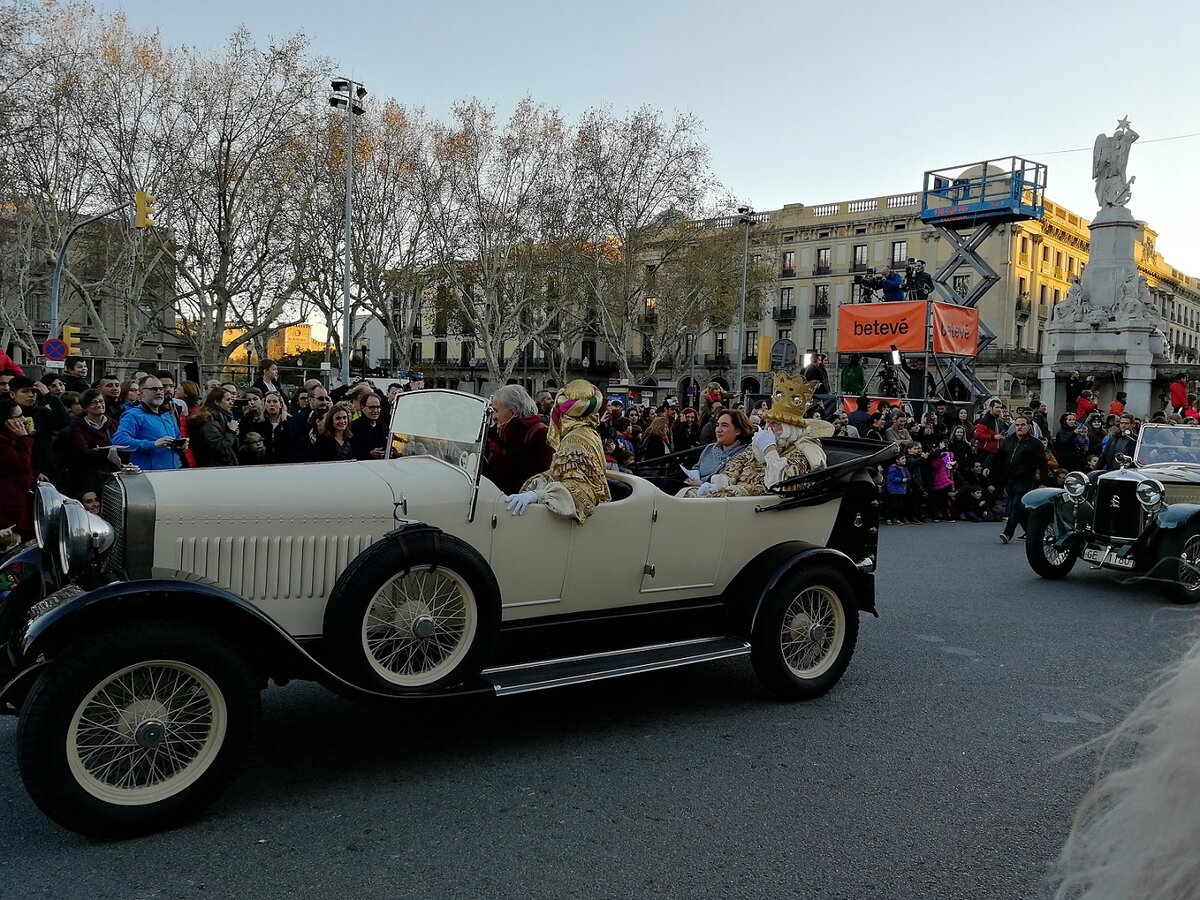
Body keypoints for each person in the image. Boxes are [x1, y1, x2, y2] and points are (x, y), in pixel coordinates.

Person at [701, 375, 833, 498]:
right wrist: (720, 484)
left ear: (790, 428)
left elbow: (783, 486)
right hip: (734, 499)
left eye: (775, 423)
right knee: (692, 492)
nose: (769, 428)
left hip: (759, 503)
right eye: (767, 422)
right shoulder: (759, 444)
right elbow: (736, 465)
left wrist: (770, 450)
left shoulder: (803, 450)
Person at [503, 380, 611, 524]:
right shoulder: (587, 432)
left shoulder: (574, 441)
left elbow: (579, 492)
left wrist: (538, 495)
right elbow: (562, 473)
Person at [988, 415, 1049, 544]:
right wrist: (987, 466)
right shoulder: (1009, 440)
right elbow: (998, 455)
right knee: (1016, 508)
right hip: (1009, 479)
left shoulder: (1035, 443)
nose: (1019, 427)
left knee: (1016, 506)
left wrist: (1043, 481)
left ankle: (1007, 533)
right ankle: (1032, 533)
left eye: (1022, 425)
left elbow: (1042, 463)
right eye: (1017, 425)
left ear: (1029, 426)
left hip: (1025, 479)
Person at [482, 384, 552, 494]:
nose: (494, 417)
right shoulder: (495, 433)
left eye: (496, 411)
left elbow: (539, 479)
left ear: (513, 412)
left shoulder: (540, 433)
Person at [109, 375, 184, 470]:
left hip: (171, 472)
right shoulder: (133, 415)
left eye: (161, 389)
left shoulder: (168, 415)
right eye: (154, 389)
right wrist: (152, 444)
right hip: (147, 474)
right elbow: (119, 440)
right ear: (141, 393)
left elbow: (177, 438)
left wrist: (181, 444)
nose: (159, 392)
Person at [9, 375, 71, 488]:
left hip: (47, 467)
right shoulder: (6, 414)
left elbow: (64, 422)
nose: (31, 395)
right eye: (25, 391)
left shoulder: (41, 412)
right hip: (20, 469)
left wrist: (48, 395)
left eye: (34, 391)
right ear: (13, 395)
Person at [67, 388, 121, 495]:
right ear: (85, 406)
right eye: (93, 403)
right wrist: (106, 452)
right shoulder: (77, 425)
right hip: (88, 476)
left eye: (101, 401)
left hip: (112, 474)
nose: (99, 405)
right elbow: (83, 452)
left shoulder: (113, 423)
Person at [0, 397, 36, 539]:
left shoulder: (11, 437)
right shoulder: (3, 442)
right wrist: (24, 438)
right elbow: (21, 465)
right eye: (18, 417)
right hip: (9, 508)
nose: (23, 420)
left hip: (20, 501)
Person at [188, 386, 240, 467]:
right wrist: (231, 432)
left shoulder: (223, 418)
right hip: (213, 466)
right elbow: (221, 448)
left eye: (231, 400)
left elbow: (233, 447)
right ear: (217, 402)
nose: (231, 403)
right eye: (227, 400)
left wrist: (233, 434)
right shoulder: (209, 421)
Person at [350, 391, 388, 460]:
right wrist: (369, 453)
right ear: (362, 407)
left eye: (378, 407)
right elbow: (351, 451)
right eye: (371, 407)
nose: (376, 411)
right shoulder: (353, 427)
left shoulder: (384, 426)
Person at [883, 452, 909, 525]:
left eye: (905, 458)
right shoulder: (893, 468)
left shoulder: (904, 468)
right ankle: (889, 518)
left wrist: (908, 477)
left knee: (899, 505)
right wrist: (901, 480)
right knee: (893, 504)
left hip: (901, 489)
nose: (904, 460)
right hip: (893, 489)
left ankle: (895, 518)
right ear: (897, 460)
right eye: (902, 458)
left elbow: (907, 475)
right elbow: (892, 479)